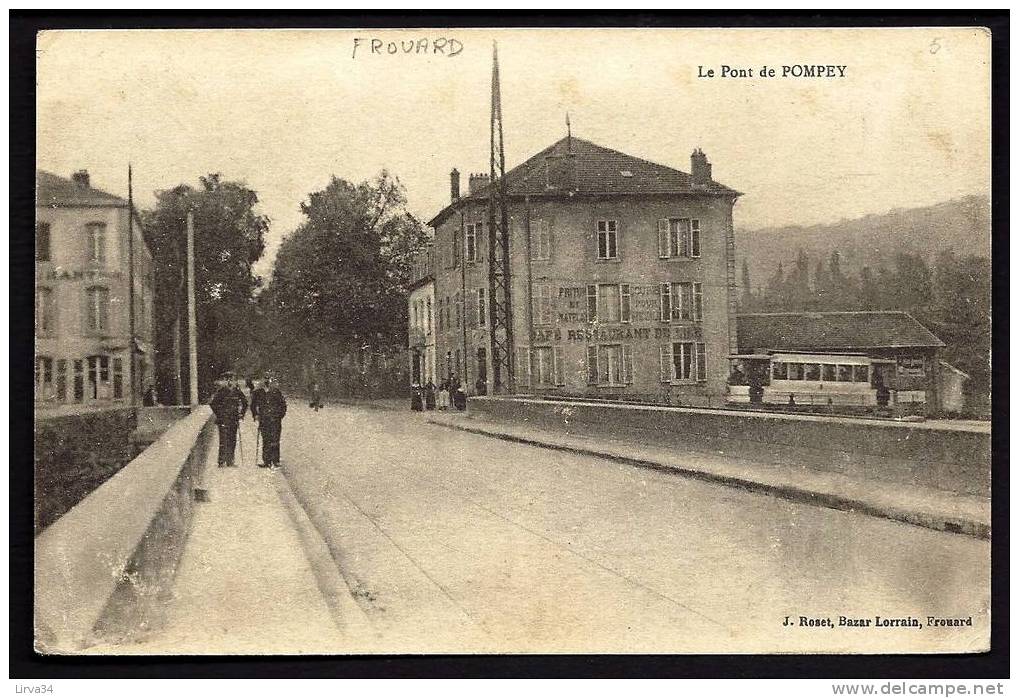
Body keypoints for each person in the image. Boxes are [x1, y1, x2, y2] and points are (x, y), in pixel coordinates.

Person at [210, 373, 248, 467]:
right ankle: (221, 461)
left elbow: (245, 403)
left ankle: (230, 461)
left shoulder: (237, 391)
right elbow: (213, 404)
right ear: (225, 381)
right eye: (228, 379)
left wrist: (241, 414)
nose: (230, 381)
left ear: (235, 381)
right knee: (223, 440)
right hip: (223, 420)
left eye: (232, 379)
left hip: (233, 419)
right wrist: (220, 414)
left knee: (232, 440)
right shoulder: (221, 391)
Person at [259, 375, 288, 469]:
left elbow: (283, 405)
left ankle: (275, 460)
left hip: (275, 420)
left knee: (275, 440)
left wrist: (279, 416)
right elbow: (254, 404)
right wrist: (256, 415)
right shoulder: (259, 392)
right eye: (265, 379)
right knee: (266, 439)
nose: (266, 381)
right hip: (264, 420)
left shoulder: (276, 392)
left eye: (268, 379)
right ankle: (266, 461)